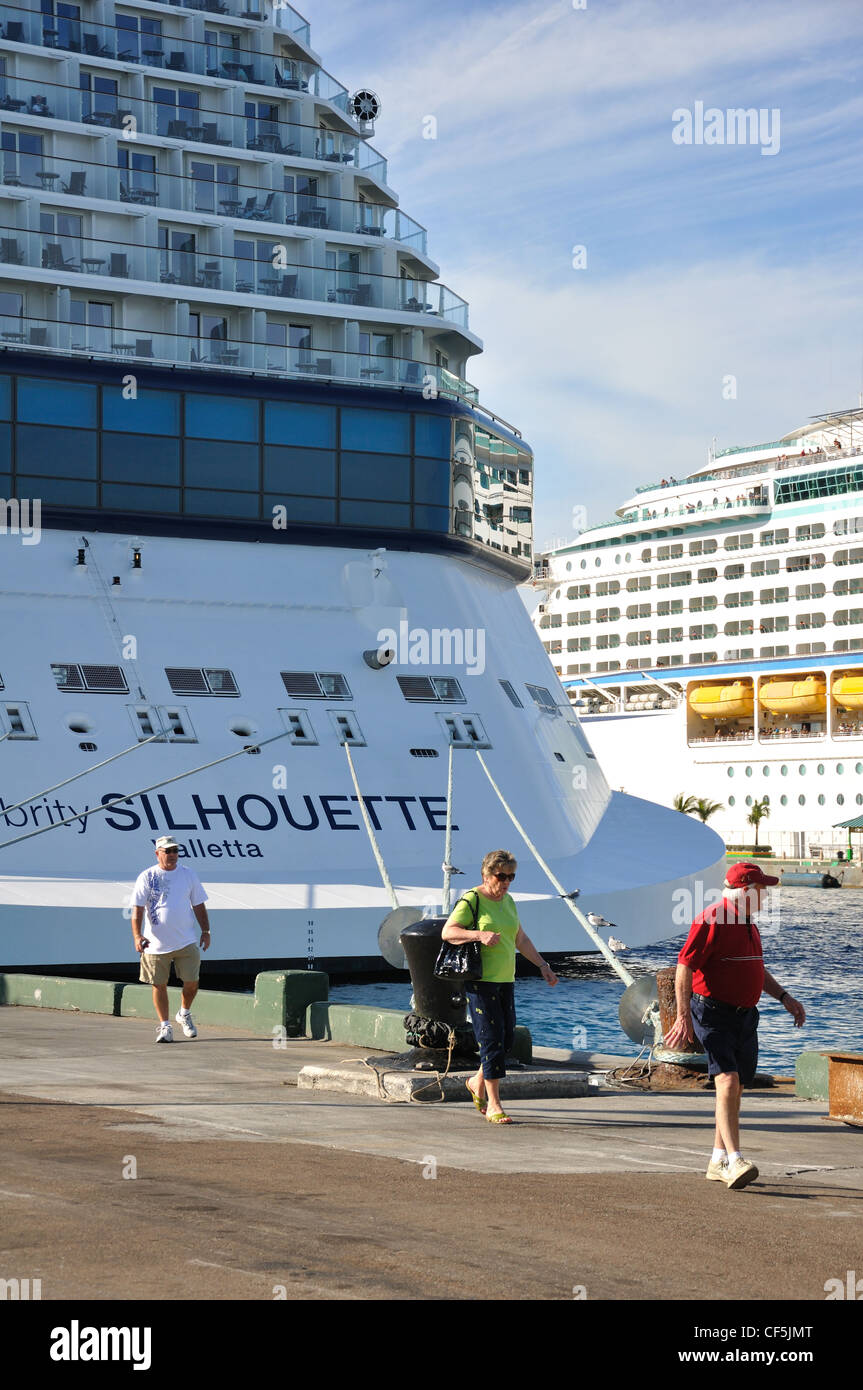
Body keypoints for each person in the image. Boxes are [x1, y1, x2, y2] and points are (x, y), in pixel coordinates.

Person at [665, 861, 805, 1189]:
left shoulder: (748, 923)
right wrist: (683, 1016)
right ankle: (736, 1159)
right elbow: (684, 966)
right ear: (744, 892)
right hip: (713, 1013)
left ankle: (717, 1159)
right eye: (762, 891)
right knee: (727, 1082)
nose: (767, 896)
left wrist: (784, 996)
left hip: (746, 1015)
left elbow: (755, 969)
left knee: (735, 1088)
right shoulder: (711, 919)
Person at [441, 850, 558, 1123]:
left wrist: (543, 966)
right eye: (501, 875)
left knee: (505, 1040)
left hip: (506, 980)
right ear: (486, 874)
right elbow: (449, 931)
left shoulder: (509, 902)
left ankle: (475, 1081)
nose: (506, 881)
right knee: (491, 1040)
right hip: (480, 981)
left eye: (511, 876)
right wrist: (479, 934)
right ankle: (494, 1104)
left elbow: (521, 938)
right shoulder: (472, 899)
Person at [131, 835, 211, 1043]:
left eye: (175, 850)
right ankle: (165, 1026)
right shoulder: (147, 877)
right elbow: (138, 909)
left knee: (192, 983)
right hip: (155, 944)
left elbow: (199, 905)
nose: (173, 855)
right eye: (168, 851)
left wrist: (206, 931)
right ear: (157, 853)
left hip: (186, 941)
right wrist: (138, 936)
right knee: (159, 985)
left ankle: (184, 1013)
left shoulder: (188, 875)